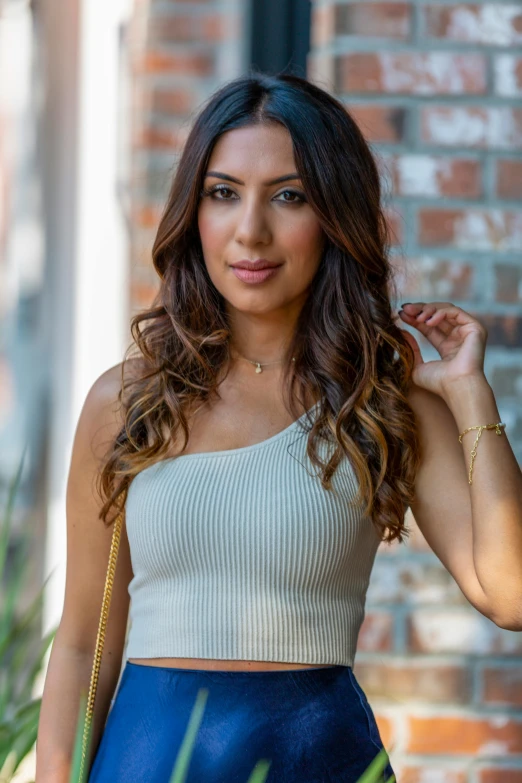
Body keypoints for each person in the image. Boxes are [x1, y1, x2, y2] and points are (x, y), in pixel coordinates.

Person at [36, 71, 522, 783]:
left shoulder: (381, 400)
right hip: (150, 759)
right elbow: (81, 643)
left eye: (289, 196)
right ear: (193, 211)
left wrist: (470, 395)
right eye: (223, 193)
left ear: (333, 214)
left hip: (318, 760)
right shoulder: (128, 401)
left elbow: (510, 596)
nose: (250, 231)